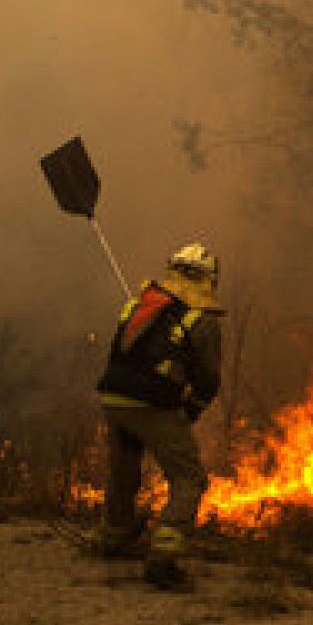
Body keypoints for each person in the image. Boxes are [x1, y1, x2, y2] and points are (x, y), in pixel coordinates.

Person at [94, 242, 224, 590]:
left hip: (112, 399)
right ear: (208, 280)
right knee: (188, 478)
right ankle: (164, 558)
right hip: (151, 404)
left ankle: (114, 539)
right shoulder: (202, 320)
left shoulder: (138, 305)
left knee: (123, 471)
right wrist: (190, 410)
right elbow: (208, 379)